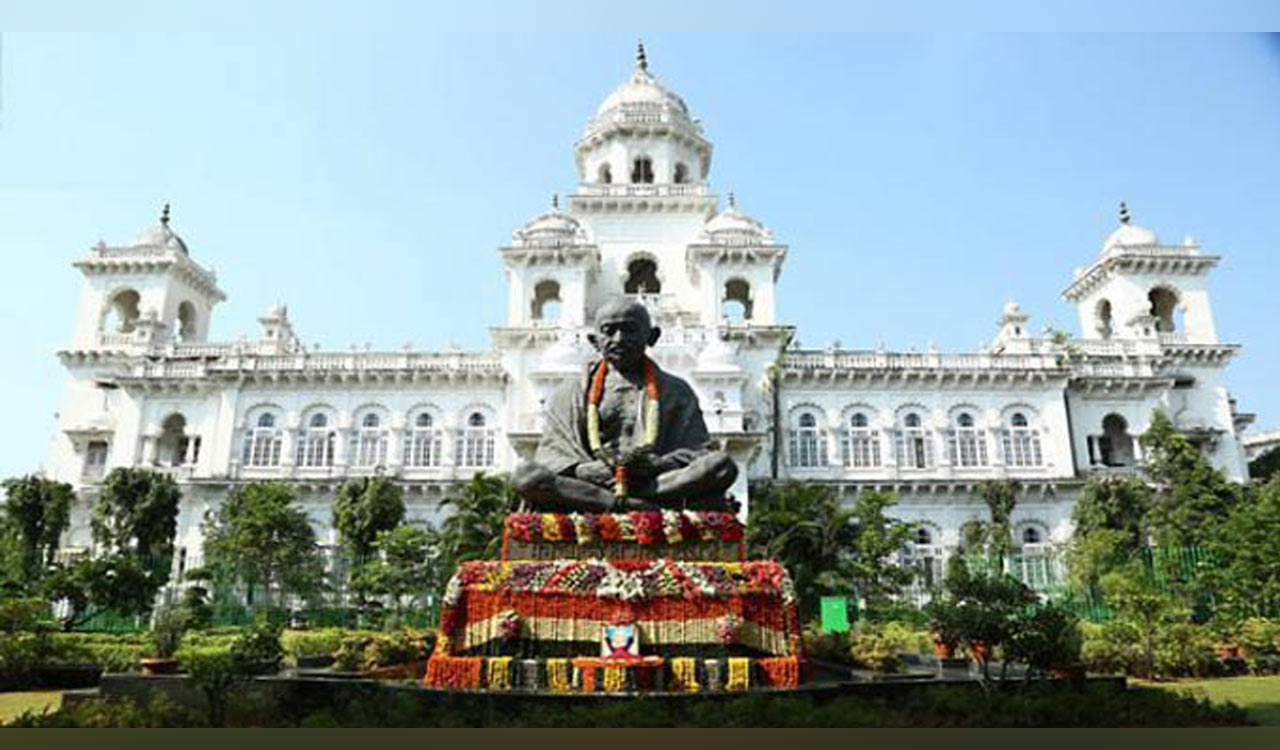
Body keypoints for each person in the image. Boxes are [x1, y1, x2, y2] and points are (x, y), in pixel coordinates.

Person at [512, 297, 737, 512]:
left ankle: (623, 502)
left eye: (629, 330)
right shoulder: (571, 391)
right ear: (594, 341)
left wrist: (658, 464)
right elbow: (552, 454)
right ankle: (625, 504)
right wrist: (582, 469)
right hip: (592, 483)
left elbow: (698, 451)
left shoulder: (676, 390)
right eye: (609, 331)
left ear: (652, 336)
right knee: (525, 476)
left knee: (721, 465)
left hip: (655, 481)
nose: (619, 339)